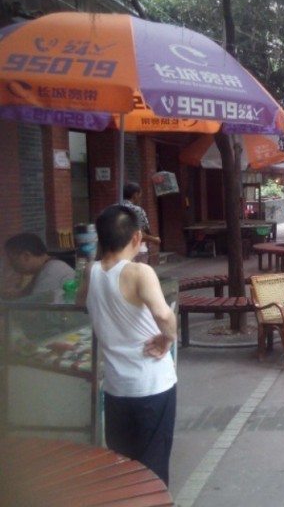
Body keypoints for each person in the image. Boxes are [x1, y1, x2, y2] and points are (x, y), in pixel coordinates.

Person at [78, 205, 177, 486]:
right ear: (136, 238)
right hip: (152, 386)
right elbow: (163, 315)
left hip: (116, 388)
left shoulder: (91, 272)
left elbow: (80, 303)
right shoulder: (138, 272)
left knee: (123, 468)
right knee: (152, 470)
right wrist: (168, 338)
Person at [2, 233, 74, 299]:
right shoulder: (45, 269)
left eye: (12, 259)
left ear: (26, 256)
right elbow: (24, 294)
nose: (10, 264)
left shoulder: (52, 271)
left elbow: (35, 306)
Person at [121, 182, 161, 263]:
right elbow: (141, 234)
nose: (140, 198)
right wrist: (155, 239)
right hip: (135, 251)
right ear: (135, 195)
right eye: (140, 195)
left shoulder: (113, 209)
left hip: (117, 251)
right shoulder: (137, 210)